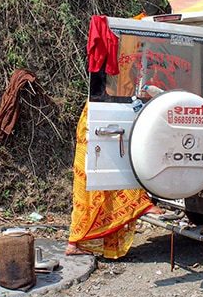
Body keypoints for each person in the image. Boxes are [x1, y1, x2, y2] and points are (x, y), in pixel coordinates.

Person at [66, 101, 164, 258]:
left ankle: (74, 243)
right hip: (92, 151)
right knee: (100, 194)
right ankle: (74, 242)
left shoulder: (95, 103)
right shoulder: (101, 101)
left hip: (91, 149)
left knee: (98, 197)